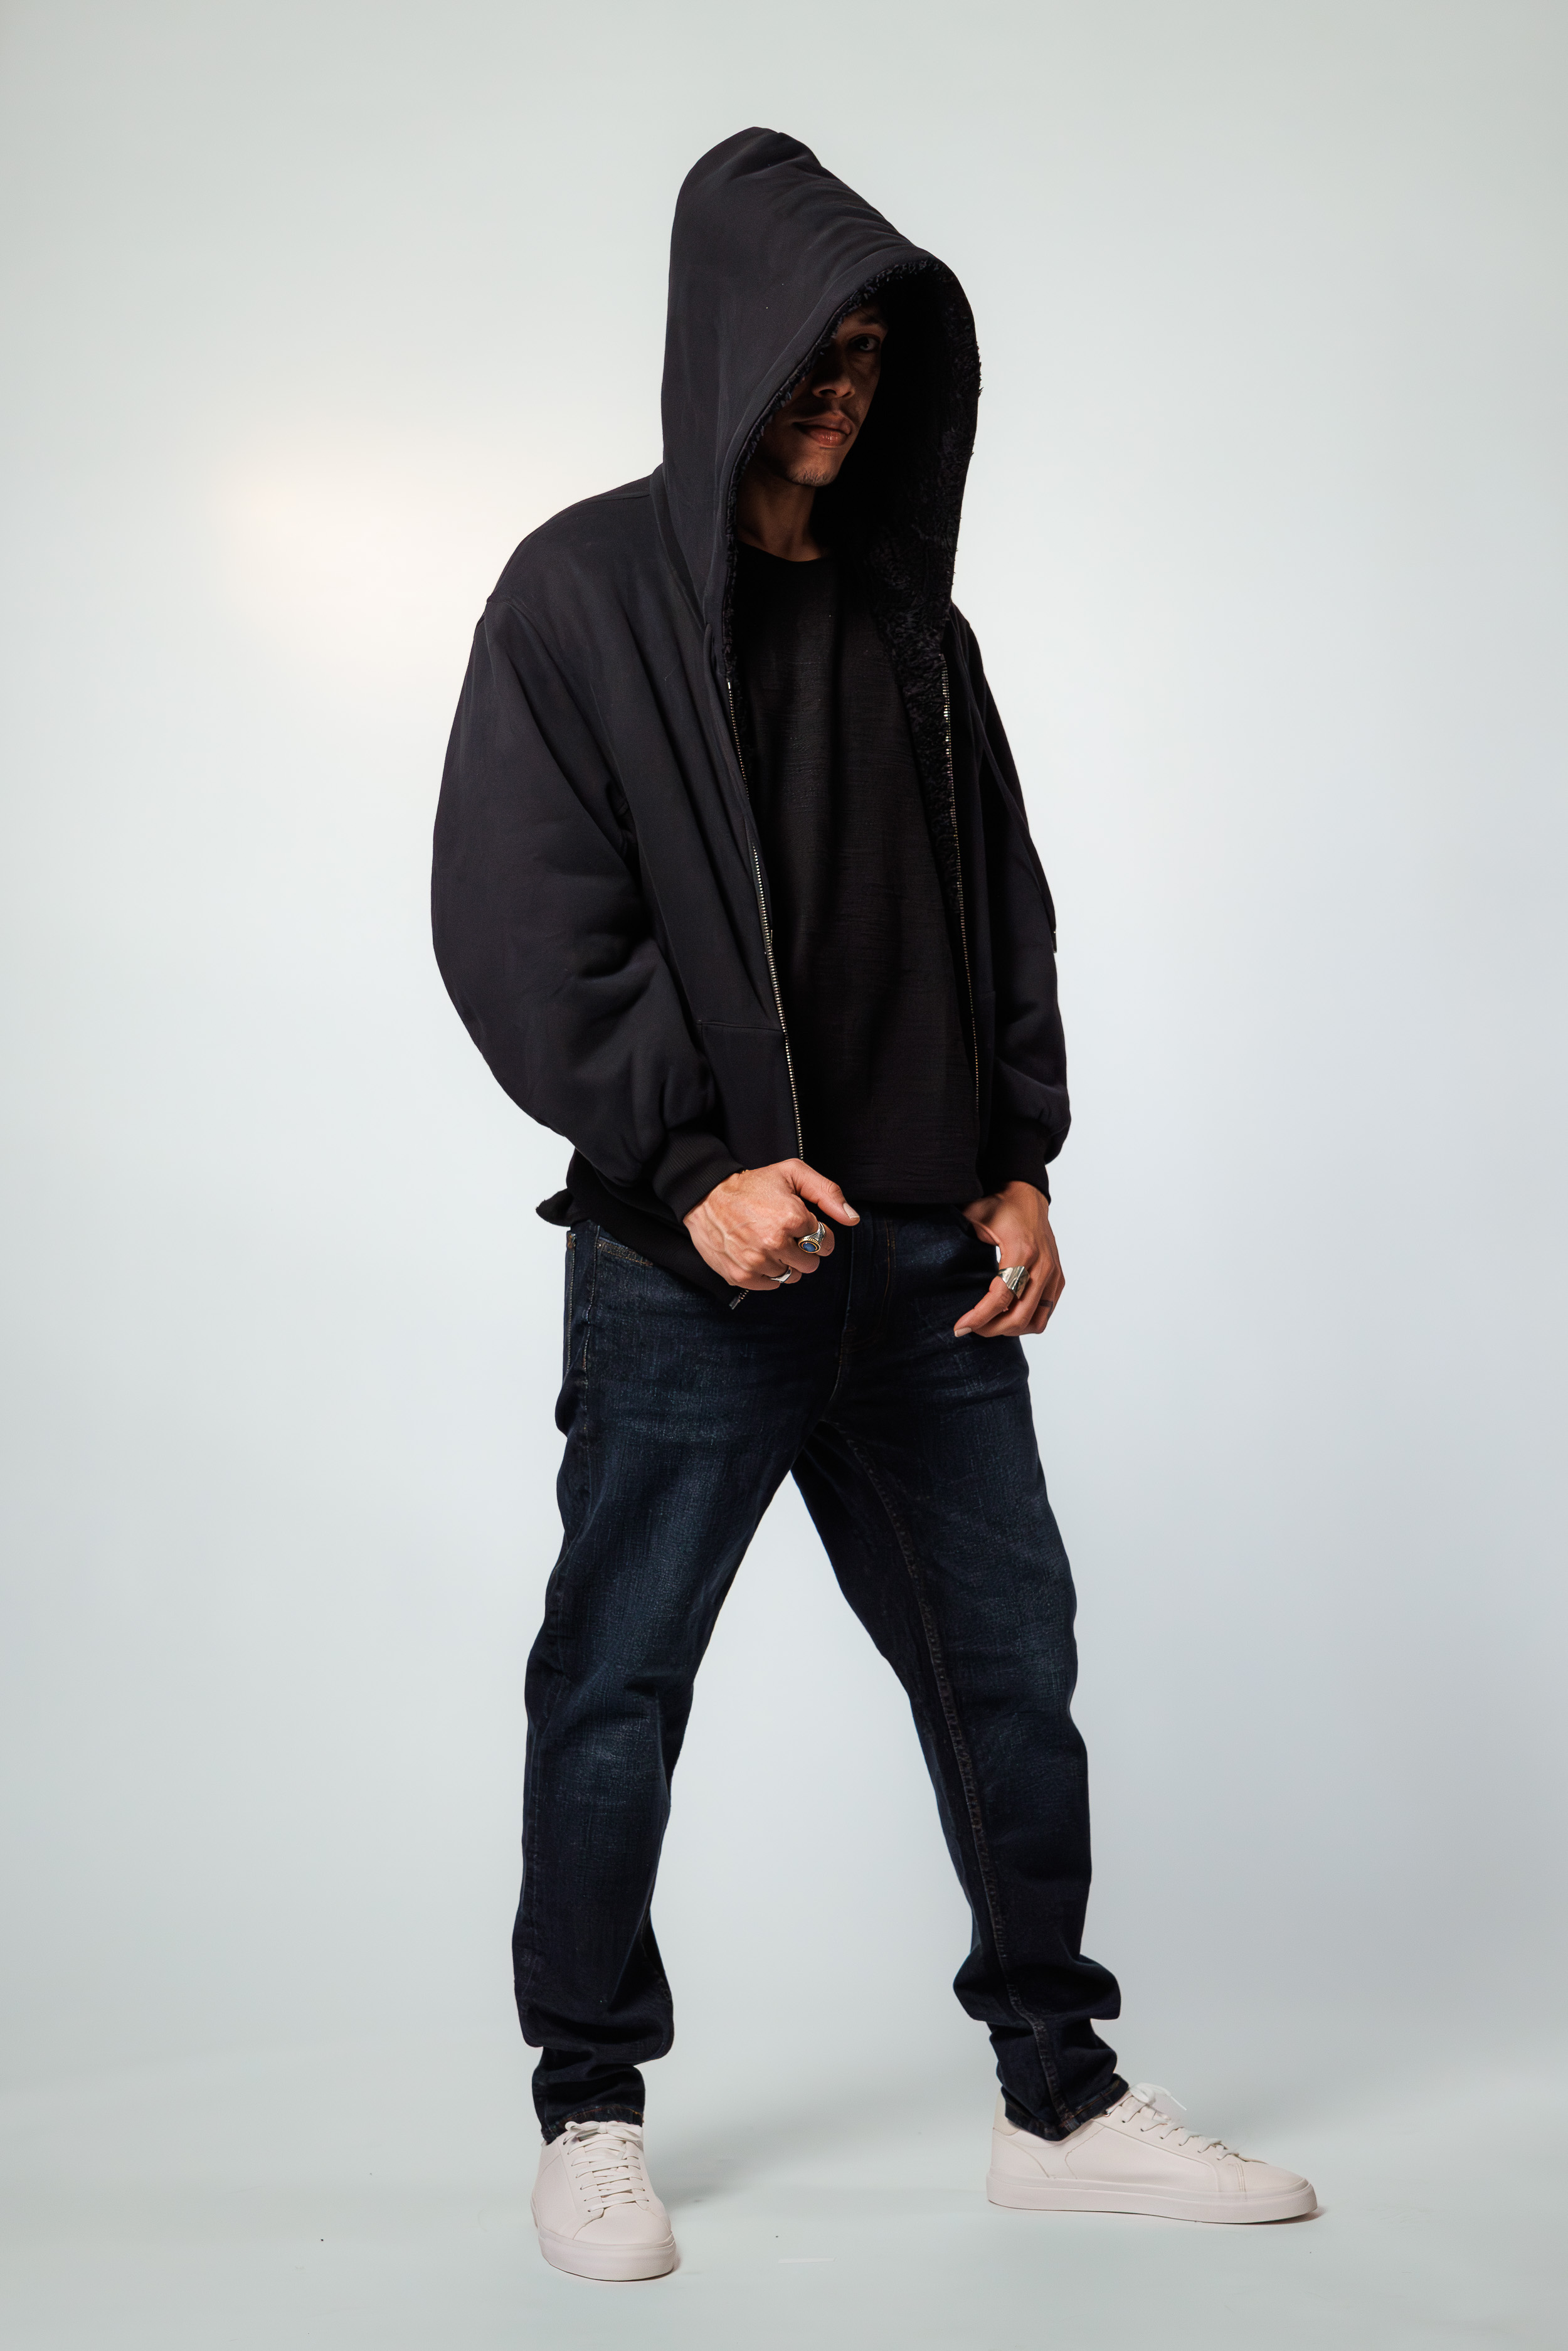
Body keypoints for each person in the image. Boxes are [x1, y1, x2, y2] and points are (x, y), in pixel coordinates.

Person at [433, 127, 1315, 2284]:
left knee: (1009, 1673)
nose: (836, 390)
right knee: (619, 1683)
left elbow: (997, 908)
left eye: (867, 356)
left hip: (929, 1270)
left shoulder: (918, 628)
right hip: (694, 1271)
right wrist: (691, 1166)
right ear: (722, 341)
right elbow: (520, 924)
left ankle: (1058, 2097)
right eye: (807, 351)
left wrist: (1021, 1159)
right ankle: (588, 2106)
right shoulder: (577, 597)